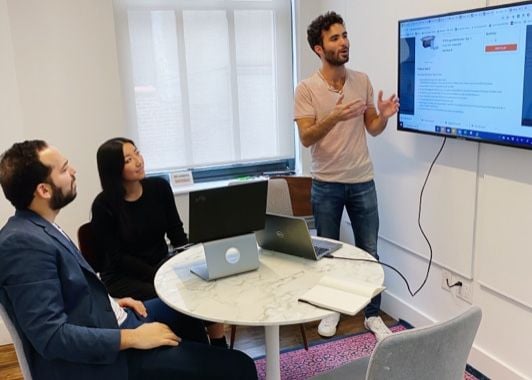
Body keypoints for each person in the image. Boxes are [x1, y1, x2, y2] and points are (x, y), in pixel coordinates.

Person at [0, 140, 257, 380]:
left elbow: (70, 292)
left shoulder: (39, 228)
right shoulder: (21, 245)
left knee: (187, 310)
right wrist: (133, 338)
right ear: (44, 190)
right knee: (241, 366)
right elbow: (51, 337)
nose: (74, 171)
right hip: (104, 361)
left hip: (112, 320)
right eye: (65, 169)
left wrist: (109, 302)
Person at [294, 11, 399, 341]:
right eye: (335, 38)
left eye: (345, 35)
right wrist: (335, 116)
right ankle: (331, 309)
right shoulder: (306, 89)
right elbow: (307, 137)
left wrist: (382, 116)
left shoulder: (362, 81)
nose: (344, 42)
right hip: (325, 184)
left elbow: (372, 128)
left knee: (370, 252)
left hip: (362, 182)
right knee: (328, 253)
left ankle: (371, 315)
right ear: (318, 48)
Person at [91, 137, 228, 347]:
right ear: (114, 169)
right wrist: (159, 276)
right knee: (178, 297)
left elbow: (176, 232)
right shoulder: (103, 206)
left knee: (205, 282)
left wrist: (191, 258)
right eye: (129, 159)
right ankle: (199, 350)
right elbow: (117, 258)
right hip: (124, 276)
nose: (139, 161)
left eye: (137, 153)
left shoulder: (159, 188)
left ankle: (219, 347)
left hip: (161, 264)